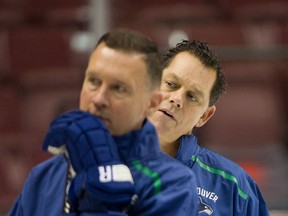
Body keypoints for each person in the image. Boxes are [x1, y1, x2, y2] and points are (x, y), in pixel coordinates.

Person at [8, 29, 198, 215]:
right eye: (94, 81)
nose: (99, 98)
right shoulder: (44, 176)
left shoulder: (172, 185)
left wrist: (100, 198)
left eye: (118, 88)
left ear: (151, 103)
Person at [149, 40, 270, 215]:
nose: (176, 99)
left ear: (204, 116)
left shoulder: (235, 186)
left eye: (192, 96)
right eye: (171, 84)